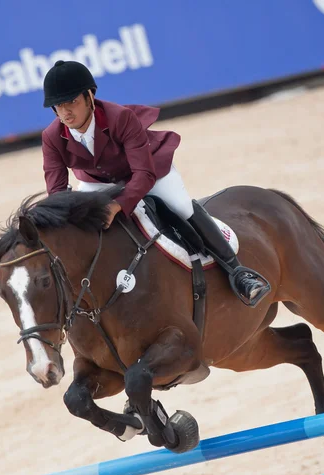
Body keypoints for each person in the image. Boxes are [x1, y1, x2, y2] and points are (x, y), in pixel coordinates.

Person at [41, 60, 270, 306]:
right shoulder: (52, 137)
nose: (66, 112)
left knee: (181, 207)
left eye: (72, 102)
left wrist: (117, 206)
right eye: (59, 105)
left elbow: (143, 175)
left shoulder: (120, 118)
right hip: (98, 183)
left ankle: (239, 273)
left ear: (89, 96)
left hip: (149, 171)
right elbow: (56, 192)